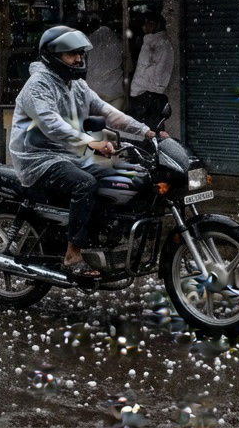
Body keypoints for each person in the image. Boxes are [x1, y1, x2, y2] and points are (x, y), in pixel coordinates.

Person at [10, 26, 164, 279]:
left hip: (69, 155)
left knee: (125, 177)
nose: (78, 59)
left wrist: (147, 131)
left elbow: (108, 112)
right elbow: (52, 125)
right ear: (53, 56)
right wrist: (89, 143)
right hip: (39, 158)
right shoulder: (37, 86)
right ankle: (73, 254)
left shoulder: (76, 85)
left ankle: (103, 239)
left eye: (80, 53)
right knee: (85, 184)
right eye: (71, 54)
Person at [129, 14, 174, 130]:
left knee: (150, 129)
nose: (144, 27)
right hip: (144, 93)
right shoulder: (150, 42)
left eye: (147, 23)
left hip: (148, 94)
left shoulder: (161, 44)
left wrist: (148, 91)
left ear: (154, 25)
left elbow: (159, 71)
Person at [85, 17, 125, 108]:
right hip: (114, 92)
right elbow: (129, 67)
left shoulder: (88, 41)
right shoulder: (119, 41)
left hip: (93, 90)